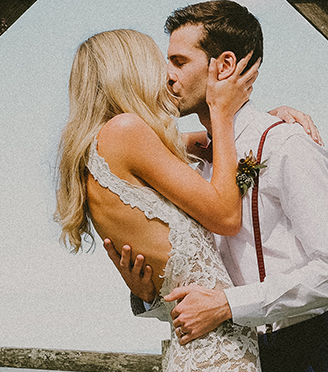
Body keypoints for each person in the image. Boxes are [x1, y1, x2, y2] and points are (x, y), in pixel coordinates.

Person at [105, 0, 328, 372]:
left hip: (305, 354)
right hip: (227, 356)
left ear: (224, 66)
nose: (167, 76)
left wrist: (228, 305)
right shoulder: (190, 161)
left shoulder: (286, 146)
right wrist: (147, 295)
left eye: (179, 62)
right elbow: (201, 287)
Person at [55, 28, 261, 371]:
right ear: (131, 71)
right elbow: (226, 216)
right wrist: (222, 112)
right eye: (156, 62)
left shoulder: (99, 151)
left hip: (194, 349)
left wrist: (268, 120)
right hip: (216, 354)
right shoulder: (125, 131)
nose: (166, 74)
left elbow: (200, 145)